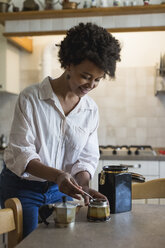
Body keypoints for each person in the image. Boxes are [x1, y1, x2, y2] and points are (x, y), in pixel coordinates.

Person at [0, 22, 121, 238]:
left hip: (60, 191)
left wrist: (83, 186)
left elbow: (86, 158)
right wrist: (59, 176)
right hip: (22, 189)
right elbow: (21, 153)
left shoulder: (90, 110)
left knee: (62, 242)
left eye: (98, 80)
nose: (91, 85)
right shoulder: (31, 98)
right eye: (86, 76)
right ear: (68, 64)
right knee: (28, 243)